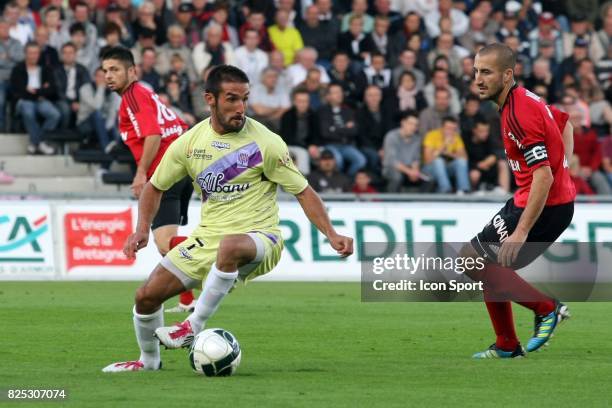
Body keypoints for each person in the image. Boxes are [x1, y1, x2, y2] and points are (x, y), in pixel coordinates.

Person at [102, 65, 353, 372]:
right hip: (207, 238)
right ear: (211, 99)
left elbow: (303, 190)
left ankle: (192, 325)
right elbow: (155, 187)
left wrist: (331, 233)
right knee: (145, 297)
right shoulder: (190, 142)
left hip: (260, 237)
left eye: (245, 99)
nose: (240, 108)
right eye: (232, 99)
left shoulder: (266, 142)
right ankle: (149, 362)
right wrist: (142, 229)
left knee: (230, 247)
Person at [462, 43, 575, 359]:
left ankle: (547, 309)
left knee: (473, 260)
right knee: (482, 261)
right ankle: (507, 345)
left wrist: (521, 231)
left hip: (542, 205)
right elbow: (566, 123)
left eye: (486, 72)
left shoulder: (519, 113)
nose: (478, 79)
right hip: (538, 199)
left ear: (507, 74)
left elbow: (543, 177)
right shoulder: (522, 99)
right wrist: (565, 167)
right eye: (476, 71)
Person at [100, 46, 196, 314]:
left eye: (115, 70)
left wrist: (142, 172)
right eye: (105, 70)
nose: (109, 75)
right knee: (166, 243)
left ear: (132, 71)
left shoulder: (132, 95)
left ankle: (218, 258)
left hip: (167, 171)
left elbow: (153, 134)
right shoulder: (143, 92)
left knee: (166, 243)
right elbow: (177, 124)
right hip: (182, 166)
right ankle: (189, 300)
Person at [422, 116, 470, 194]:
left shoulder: (456, 137)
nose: (451, 131)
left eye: (453, 129)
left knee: (461, 162)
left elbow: (464, 158)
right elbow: (428, 160)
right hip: (429, 169)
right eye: (448, 128)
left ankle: (463, 190)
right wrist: (444, 145)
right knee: (438, 161)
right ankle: (445, 189)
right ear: (442, 127)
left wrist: (449, 153)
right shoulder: (431, 135)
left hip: (446, 168)